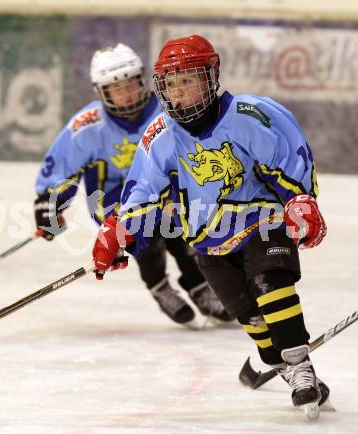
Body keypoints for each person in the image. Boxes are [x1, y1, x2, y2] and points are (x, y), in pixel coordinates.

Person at [91, 35, 330, 419]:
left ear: (210, 76)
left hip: (261, 220)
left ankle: (300, 366)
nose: (180, 93)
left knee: (272, 283)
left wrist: (301, 201)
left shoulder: (251, 115)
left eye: (188, 81)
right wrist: (117, 233)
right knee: (249, 315)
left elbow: (289, 158)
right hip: (206, 239)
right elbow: (142, 191)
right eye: (171, 84)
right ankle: (281, 363)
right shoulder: (160, 135)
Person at [34, 42, 230, 328]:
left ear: (143, 80)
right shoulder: (87, 124)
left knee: (182, 228)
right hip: (111, 195)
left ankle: (199, 284)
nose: (126, 94)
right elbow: (61, 166)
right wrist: (50, 204)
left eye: (130, 84)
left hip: (165, 188)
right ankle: (157, 284)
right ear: (102, 92)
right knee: (140, 231)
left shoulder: (169, 110)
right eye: (116, 89)